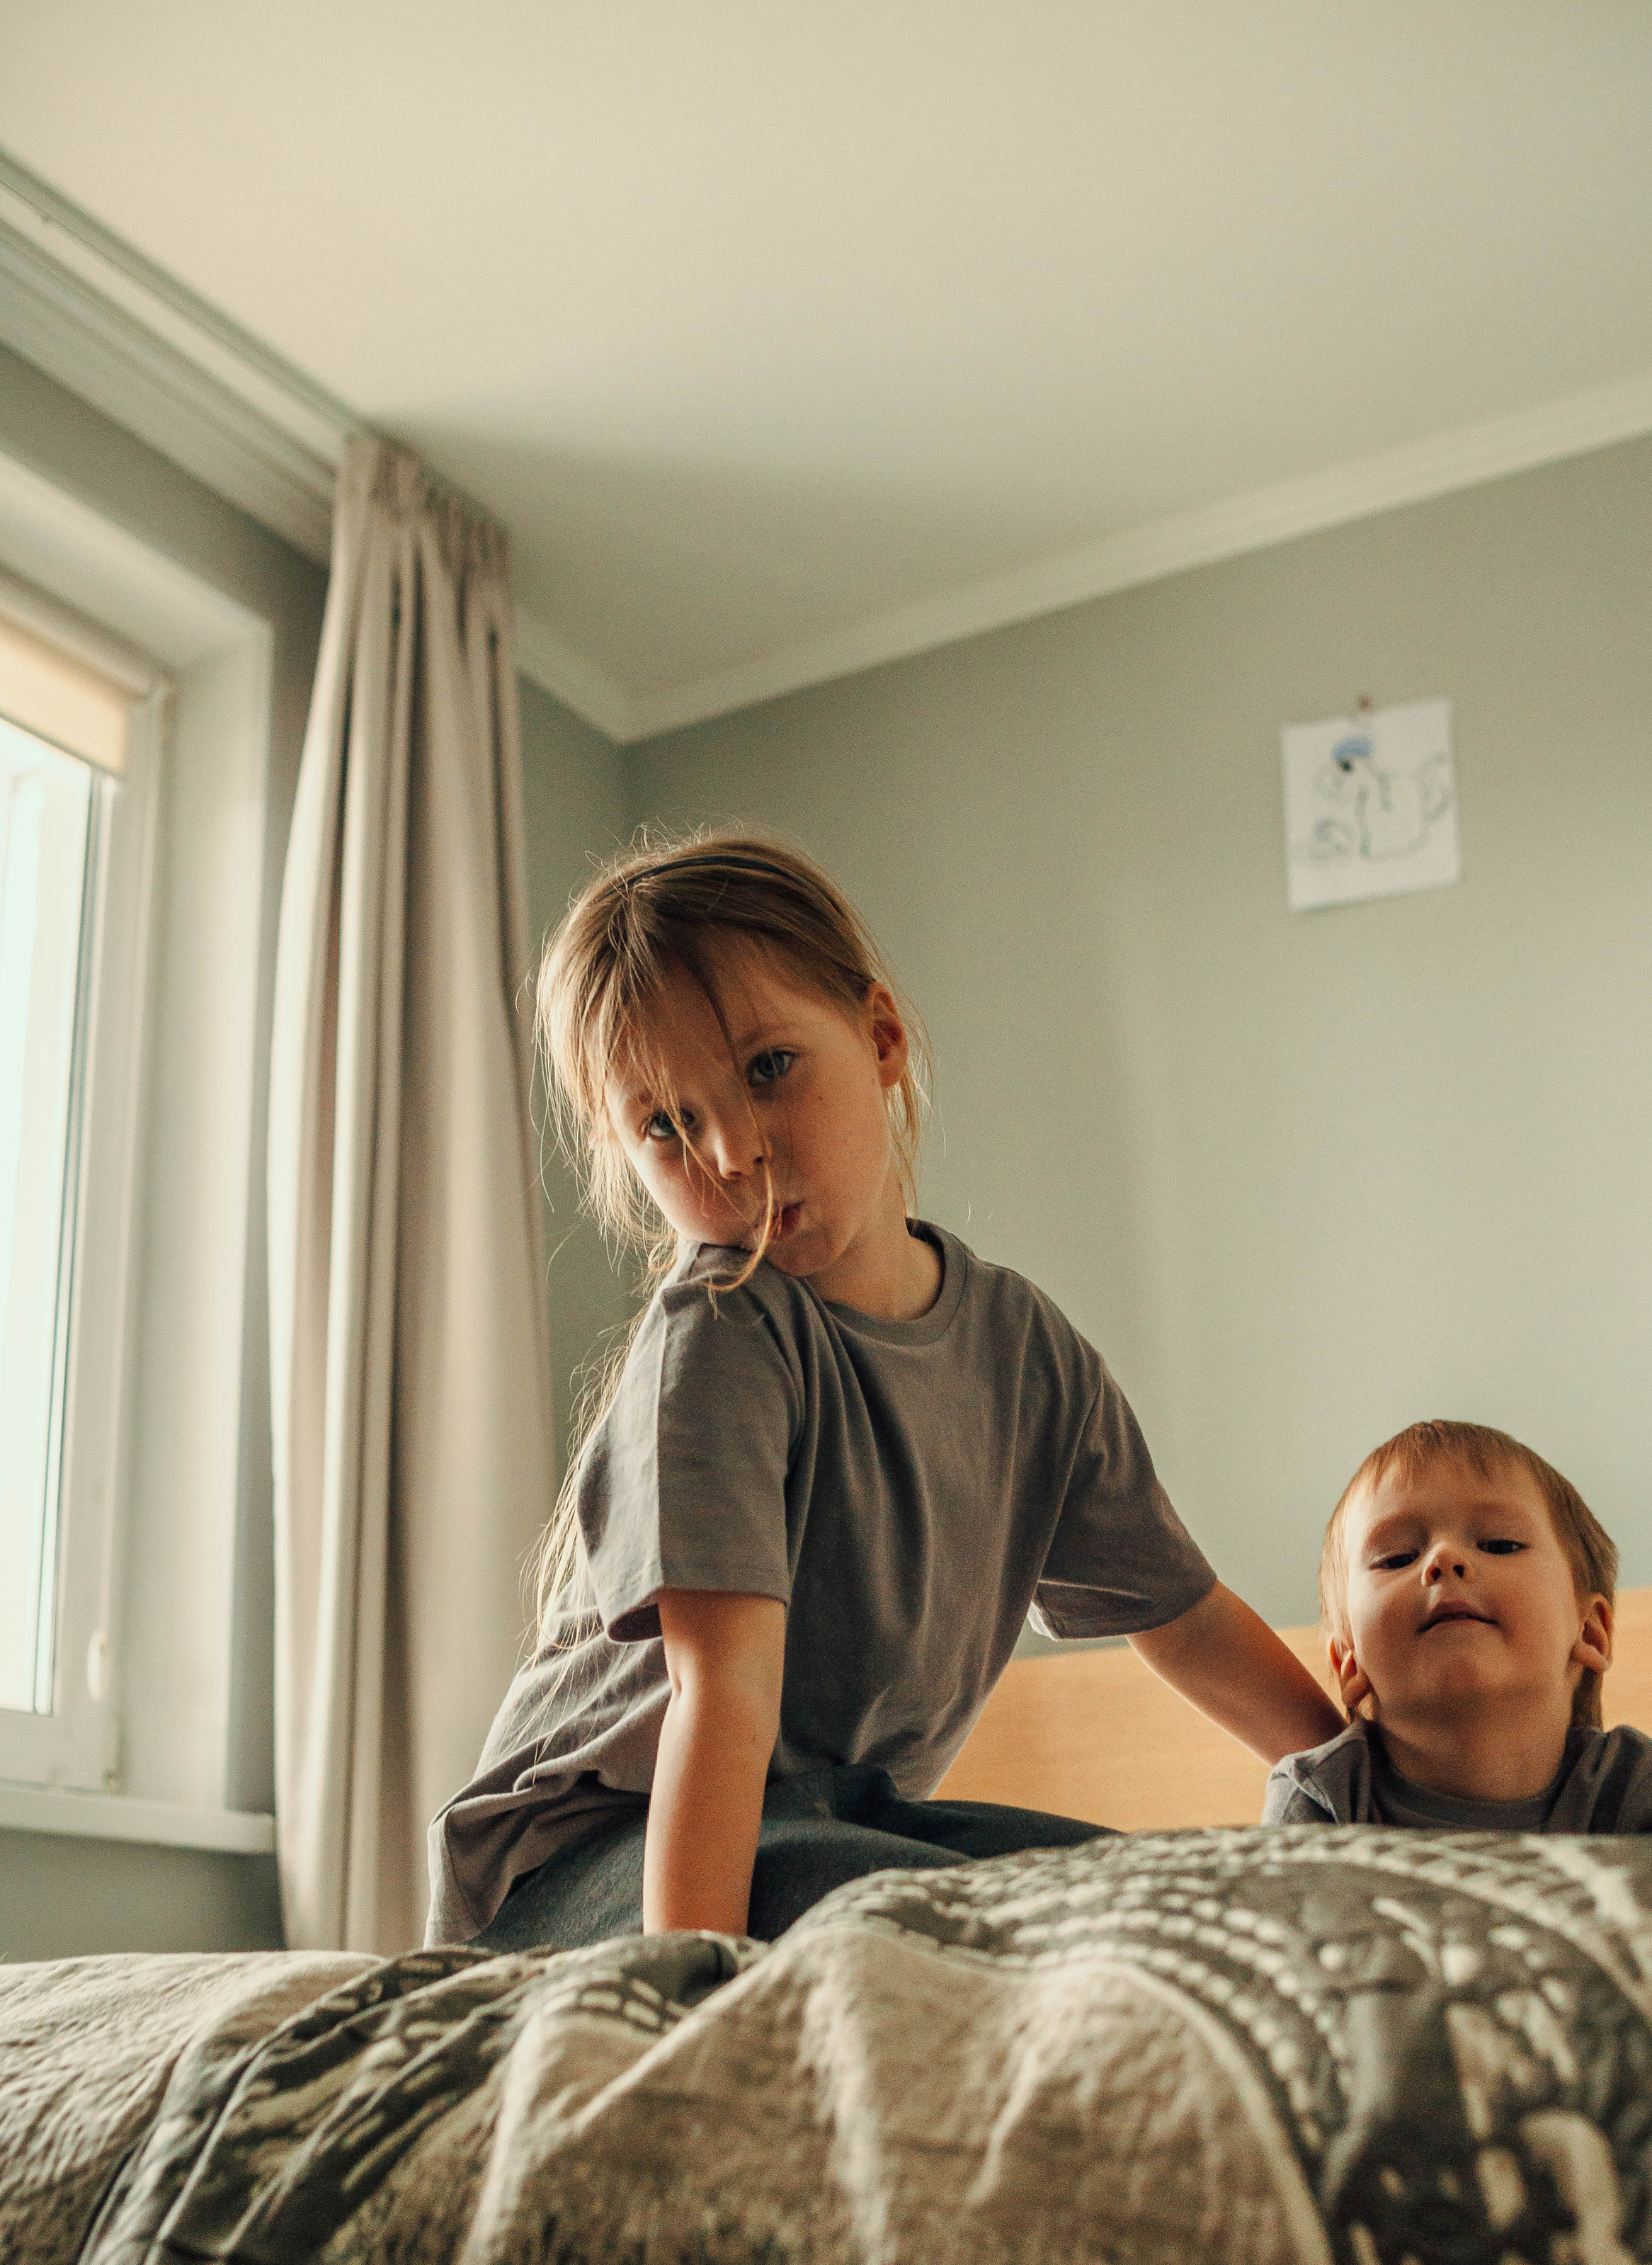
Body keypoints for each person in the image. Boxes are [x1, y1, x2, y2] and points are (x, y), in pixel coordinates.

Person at [426, 829, 1343, 1948]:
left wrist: (1370, 1808)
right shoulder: (721, 1335)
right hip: (603, 1862)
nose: (731, 1155)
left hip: (829, 1826)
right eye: (668, 1126)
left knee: (1135, 1896)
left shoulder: (1024, 1354)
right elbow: (723, 1705)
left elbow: (1191, 1628)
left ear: (881, 1037)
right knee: (956, 1911)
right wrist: (686, 1993)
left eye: (768, 1071)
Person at [1263, 1419, 1652, 1834]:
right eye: (1397, 1558)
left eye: (1500, 1544)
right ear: (1350, 1662)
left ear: (1589, 1632)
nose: (1443, 1560)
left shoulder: (1632, 1791)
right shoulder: (1322, 1801)